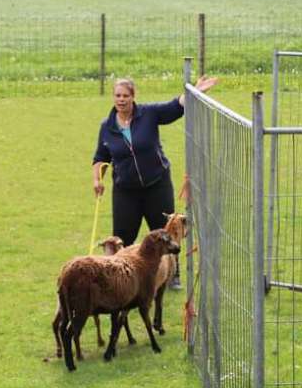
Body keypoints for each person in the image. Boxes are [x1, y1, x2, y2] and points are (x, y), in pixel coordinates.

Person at [92, 75, 218, 288]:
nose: (121, 100)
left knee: (165, 232)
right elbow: (100, 158)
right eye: (117, 96)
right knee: (123, 235)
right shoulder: (107, 127)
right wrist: (97, 180)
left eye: (125, 95)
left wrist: (194, 92)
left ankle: (172, 275)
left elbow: (175, 107)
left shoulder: (148, 114)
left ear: (133, 97)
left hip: (156, 184)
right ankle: (122, 277)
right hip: (126, 190)